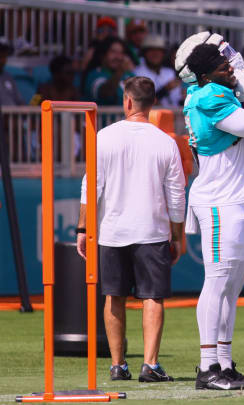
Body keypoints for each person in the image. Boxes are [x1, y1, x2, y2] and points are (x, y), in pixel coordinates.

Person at [75, 76, 185, 383]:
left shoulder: (104, 137)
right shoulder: (166, 141)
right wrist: (178, 235)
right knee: (153, 297)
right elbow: (177, 194)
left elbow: (90, 187)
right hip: (152, 230)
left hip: (112, 230)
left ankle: (117, 363)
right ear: (153, 104)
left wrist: (82, 229)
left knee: (114, 295)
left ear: (127, 101)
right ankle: (150, 363)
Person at [182, 42, 244, 390]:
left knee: (232, 286)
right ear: (206, 76)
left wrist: (236, 66)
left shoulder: (206, 92)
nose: (230, 68)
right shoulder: (209, 97)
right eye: (222, 66)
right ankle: (208, 368)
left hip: (236, 200)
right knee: (218, 282)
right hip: (221, 202)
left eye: (229, 64)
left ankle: (223, 361)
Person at [83, 37, 135, 105]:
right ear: (103, 54)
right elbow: (106, 93)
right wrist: (120, 71)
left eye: (121, 53)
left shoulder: (129, 75)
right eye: (113, 52)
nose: (118, 57)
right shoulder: (94, 75)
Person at [134, 35, 183, 107]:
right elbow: (143, 103)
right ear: (144, 53)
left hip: (174, 116)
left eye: (159, 50)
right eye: (151, 50)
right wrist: (165, 90)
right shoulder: (137, 73)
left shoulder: (169, 72)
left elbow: (177, 100)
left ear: (164, 53)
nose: (155, 54)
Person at [0, 40, 23, 105]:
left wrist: (28, 110)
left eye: (4, 57)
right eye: (0, 57)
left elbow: (19, 101)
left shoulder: (8, 77)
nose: (2, 61)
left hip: (14, 114)